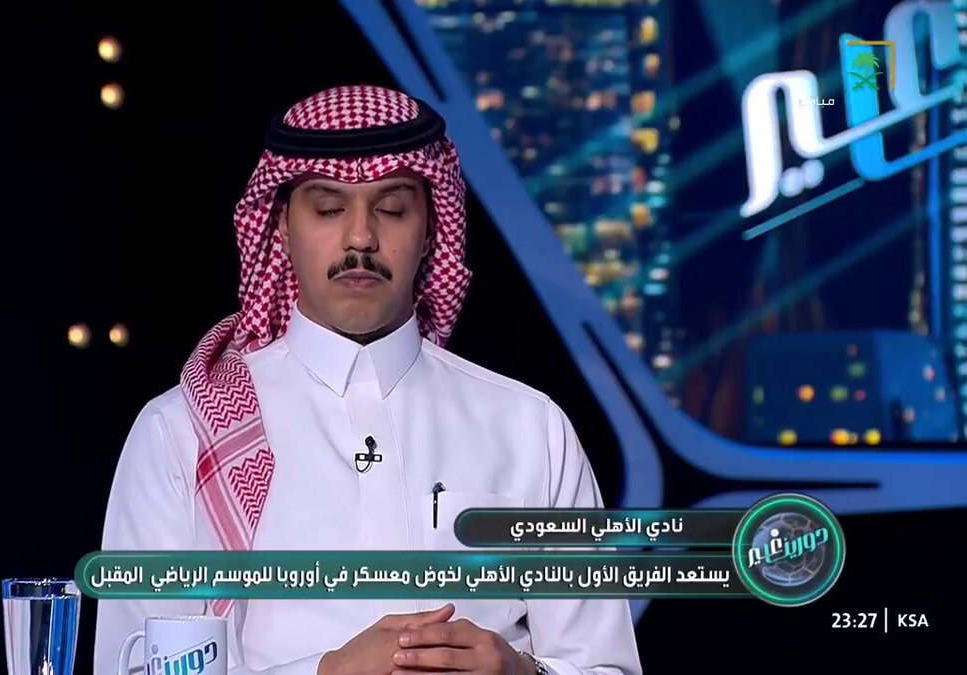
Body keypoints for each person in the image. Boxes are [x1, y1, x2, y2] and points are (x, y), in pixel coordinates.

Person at [94, 85, 642, 675]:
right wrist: (325, 672)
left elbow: (605, 666)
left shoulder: (530, 428)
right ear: (281, 227)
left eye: (392, 208)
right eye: (329, 208)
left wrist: (522, 672)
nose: (360, 238)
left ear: (430, 229)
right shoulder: (182, 433)